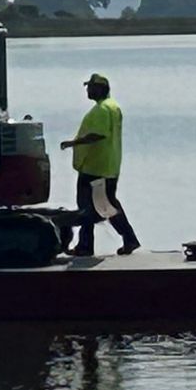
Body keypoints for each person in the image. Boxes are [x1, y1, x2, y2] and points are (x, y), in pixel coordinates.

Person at [58, 72, 140, 257]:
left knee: (87, 206)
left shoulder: (102, 109)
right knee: (107, 205)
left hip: (95, 168)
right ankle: (129, 238)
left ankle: (86, 246)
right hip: (109, 166)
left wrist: (73, 143)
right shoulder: (114, 107)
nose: (87, 90)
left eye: (90, 86)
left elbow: (99, 134)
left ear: (99, 88)